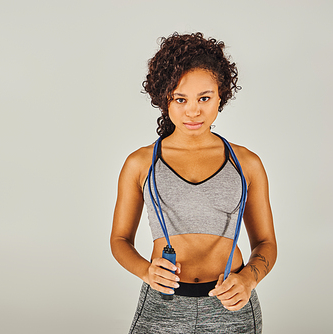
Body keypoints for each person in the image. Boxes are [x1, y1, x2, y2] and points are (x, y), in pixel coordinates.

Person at [110, 32, 277, 334]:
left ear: (221, 95)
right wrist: (145, 271)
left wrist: (249, 278)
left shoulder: (247, 163)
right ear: (164, 98)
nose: (193, 110)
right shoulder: (140, 163)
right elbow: (119, 240)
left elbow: (266, 243)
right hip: (162, 306)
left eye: (204, 97)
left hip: (231, 305)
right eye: (180, 99)